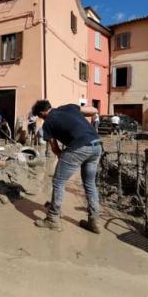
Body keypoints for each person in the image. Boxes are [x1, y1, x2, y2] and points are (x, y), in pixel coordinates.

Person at [31, 100, 102, 233]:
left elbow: (54, 147)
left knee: (58, 181)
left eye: (40, 117)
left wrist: (62, 155)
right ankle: (94, 222)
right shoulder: (68, 107)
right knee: (90, 184)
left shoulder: (48, 122)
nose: (41, 119)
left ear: (42, 113)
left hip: (79, 146)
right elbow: (94, 110)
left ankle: (52, 219)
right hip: (96, 145)